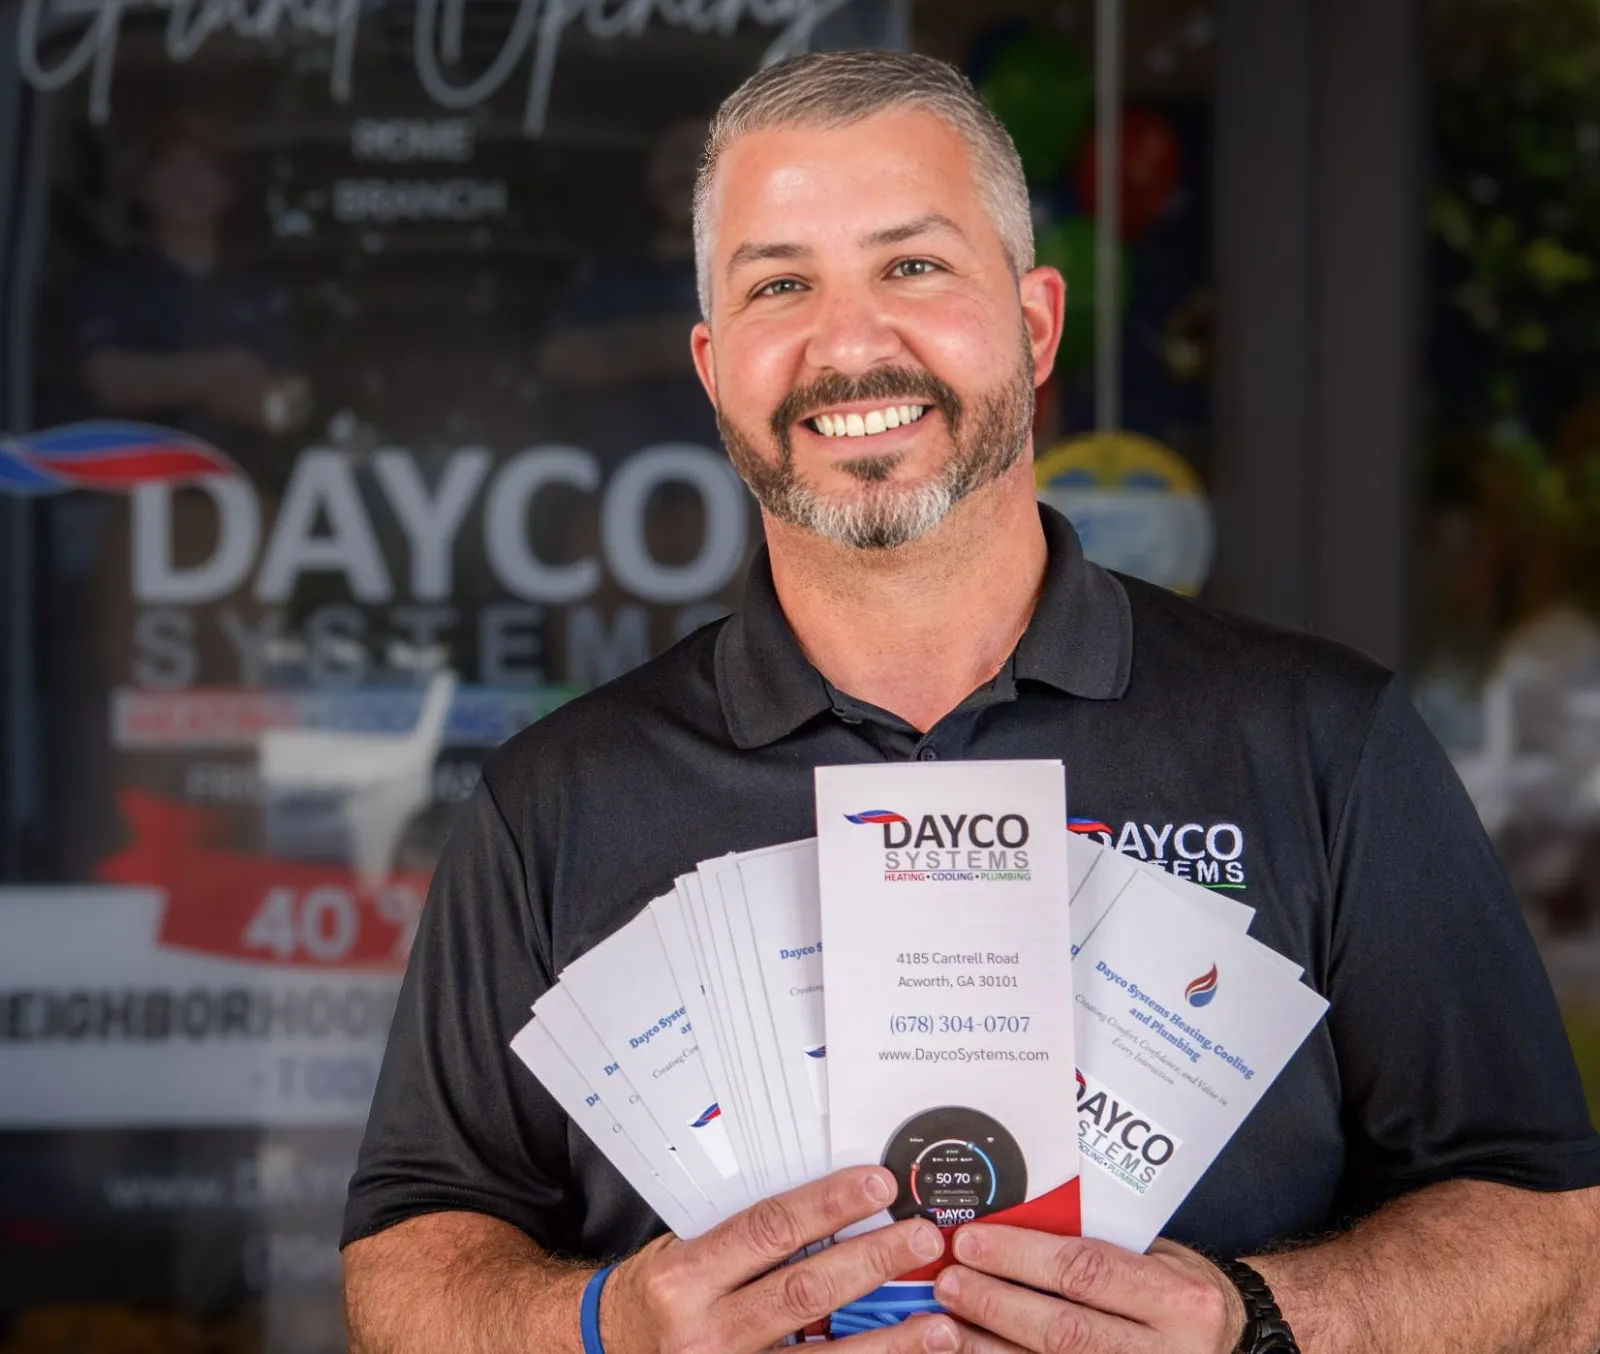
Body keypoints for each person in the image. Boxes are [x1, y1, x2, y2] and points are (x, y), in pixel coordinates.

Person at [340, 51, 1600, 1354]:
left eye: (913, 264)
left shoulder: (1323, 744)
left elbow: (1565, 1248)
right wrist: (599, 1323)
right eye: (782, 282)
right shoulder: (555, 801)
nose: (849, 341)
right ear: (715, 367)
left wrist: (1256, 1319)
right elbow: (409, 1250)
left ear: (1038, 320)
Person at [68, 116, 310, 478]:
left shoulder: (260, 289)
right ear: (144, 186)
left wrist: (166, 385)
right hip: (140, 494)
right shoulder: (113, 281)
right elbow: (110, 383)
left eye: (202, 168)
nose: (186, 182)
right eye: (171, 167)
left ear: (227, 190)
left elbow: (292, 405)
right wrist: (231, 369)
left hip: (247, 492)